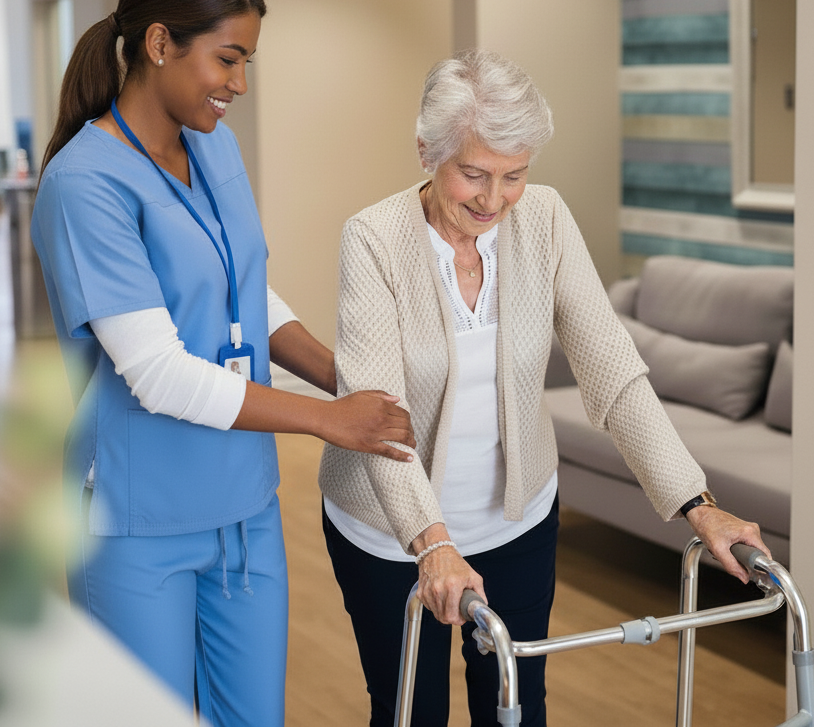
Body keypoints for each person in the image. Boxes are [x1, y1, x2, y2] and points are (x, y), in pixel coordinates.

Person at [318, 50, 771, 727]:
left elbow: (612, 370)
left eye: (514, 176)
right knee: (412, 711)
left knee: (517, 706)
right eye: (473, 173)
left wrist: (697, 504)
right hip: (391, 531)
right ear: (425, 151)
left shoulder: (547, 219)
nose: (494, 200)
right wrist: (433, 540)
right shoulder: (375, 239)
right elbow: (380, 412)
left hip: (515, 518)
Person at [29, 0, 414, 726]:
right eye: (227, 59)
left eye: (248, 61)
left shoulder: (214, 144)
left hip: (242, 505)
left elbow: (239, 288)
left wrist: (340, 374)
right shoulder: (85, 183)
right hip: (137, 519)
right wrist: (329, 418)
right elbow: (158, 373)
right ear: (161, 43)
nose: (239, 84)